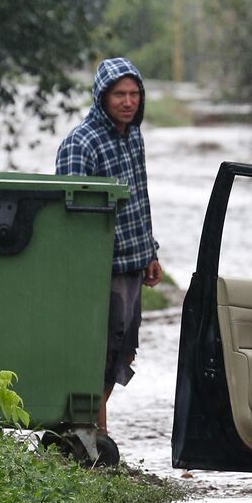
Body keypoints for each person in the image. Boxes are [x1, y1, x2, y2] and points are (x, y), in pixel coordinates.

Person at [56, 57, 161, 432]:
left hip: (134, 263)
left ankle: (90, 433)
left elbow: (140, 198)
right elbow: (71, 219)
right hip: (100, 269)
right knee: (98, 355)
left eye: (134, 94)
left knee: (123, 352)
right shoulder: (80, 143)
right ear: (102, 97)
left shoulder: (134, 136)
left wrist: (150, 252)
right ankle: (93, 438)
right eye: (120, 94)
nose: (128, 102)